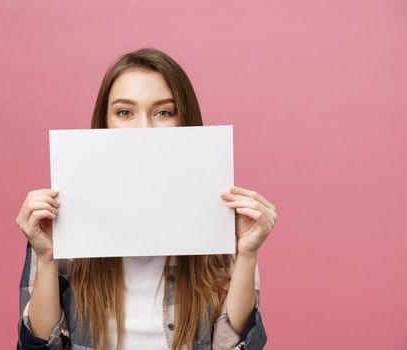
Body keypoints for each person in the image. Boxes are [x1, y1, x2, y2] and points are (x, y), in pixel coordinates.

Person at [15, 47, 277, 350]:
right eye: (125, 112)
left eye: (163, 112)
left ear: (184, 121)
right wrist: (46, 258)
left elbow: (237, 346)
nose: (143, 129)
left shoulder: (222, 220)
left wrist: (246, 255)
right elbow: (40, 346)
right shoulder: (61, 218)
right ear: (105, 122)